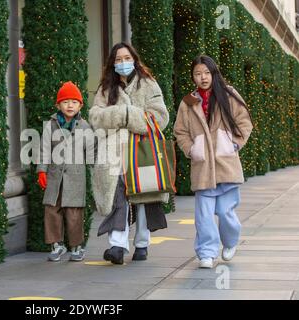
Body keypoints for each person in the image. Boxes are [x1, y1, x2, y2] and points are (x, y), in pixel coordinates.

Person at [89, 42, 170, 264]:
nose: (122, 63)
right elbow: (95, 117)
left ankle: (142, 243)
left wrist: (128, 116)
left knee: (143, 196)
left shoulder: (149, 84)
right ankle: (117, 244)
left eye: (126, 58)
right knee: (118, 194)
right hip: (114, 151)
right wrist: (120, 114)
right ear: (112, 63)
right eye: (118, 59)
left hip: (142, 150)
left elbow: (160, 117)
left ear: (134, 59)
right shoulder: (106, 88)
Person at [174, 55, 253, 268]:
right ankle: (206, 253)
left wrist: (233, 143)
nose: (203, 77)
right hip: (203, 167)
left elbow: (245, 122)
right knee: (204, 215)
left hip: (226, 165)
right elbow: (180, 131)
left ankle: (230, 241)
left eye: (206, 73)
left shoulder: (228, 94)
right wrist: (192, 149)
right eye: (198, 74)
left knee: (226, 212)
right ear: (193, 77)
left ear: (213, 73)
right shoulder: (188, 102)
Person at [37, 81, 94, 262]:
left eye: (74, 102)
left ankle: (76, 246)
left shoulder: (84, 127)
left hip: (76, 178)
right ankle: (56, 244)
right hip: (55, 176)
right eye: (65, 102)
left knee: (74, 212)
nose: (70, 105)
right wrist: (41, 171)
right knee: (52, 210)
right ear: (58, 105)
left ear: (80, 105)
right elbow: (44, 149)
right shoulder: (51, 126)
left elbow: (91, 151)